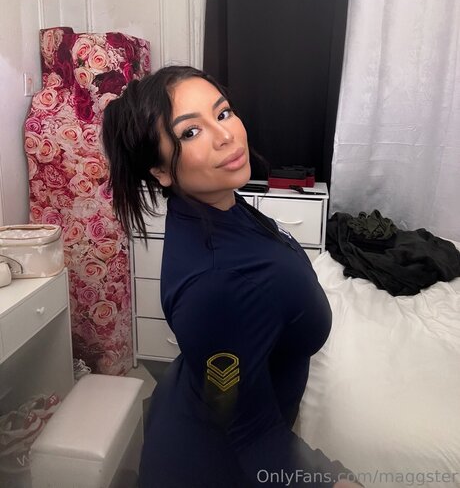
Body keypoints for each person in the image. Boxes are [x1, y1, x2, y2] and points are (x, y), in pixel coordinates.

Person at [102, 66, 363, 488]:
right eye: (190, 132)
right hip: (209, 465)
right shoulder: (215, 283)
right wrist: (332, 480)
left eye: (222, 113)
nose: (226, 135)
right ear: (161, 171)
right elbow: (255, 437)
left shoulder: (220, 203)